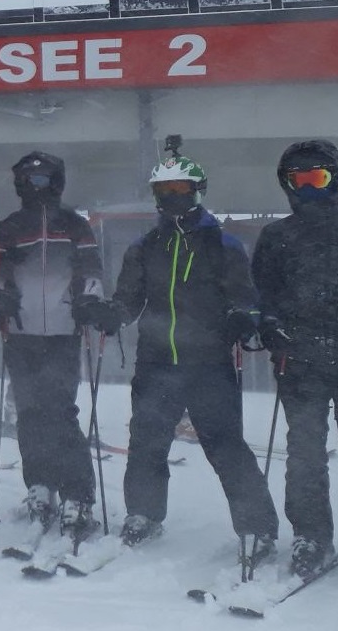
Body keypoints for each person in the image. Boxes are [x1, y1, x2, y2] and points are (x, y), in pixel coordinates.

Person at [86, 155, 279, 555]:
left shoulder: (222, 244)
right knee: (146, 442)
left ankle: (257, 528)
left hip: (209, 364)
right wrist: (113, 314)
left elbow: (246, 297)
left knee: (226, 446)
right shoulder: (145, 247)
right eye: (164, 190)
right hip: (157, 362)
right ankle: (144, 514)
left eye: (180, 189)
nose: (173, 197)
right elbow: (129, 299)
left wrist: (243, 318)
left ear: (197, 191)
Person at [251, 139, 338, 578]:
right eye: (300, 181)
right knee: (304, 456)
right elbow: (264, 294)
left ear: (336, 179)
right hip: (299, 363)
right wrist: (269, 326)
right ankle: (312, 537)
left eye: (319, 178)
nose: (310, 189)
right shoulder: (277, 237)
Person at [0, 151, 102, 537]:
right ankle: (39, 484)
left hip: (63, 332)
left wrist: (89, 300)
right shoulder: (9, 227)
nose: (34, 187)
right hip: (21, 332)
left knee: (60, 412)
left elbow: (92, 270)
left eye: (42, 179)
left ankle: (78, 494)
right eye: (27, 180)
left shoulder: (75, 226)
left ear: (57, 182)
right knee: (30, 413)